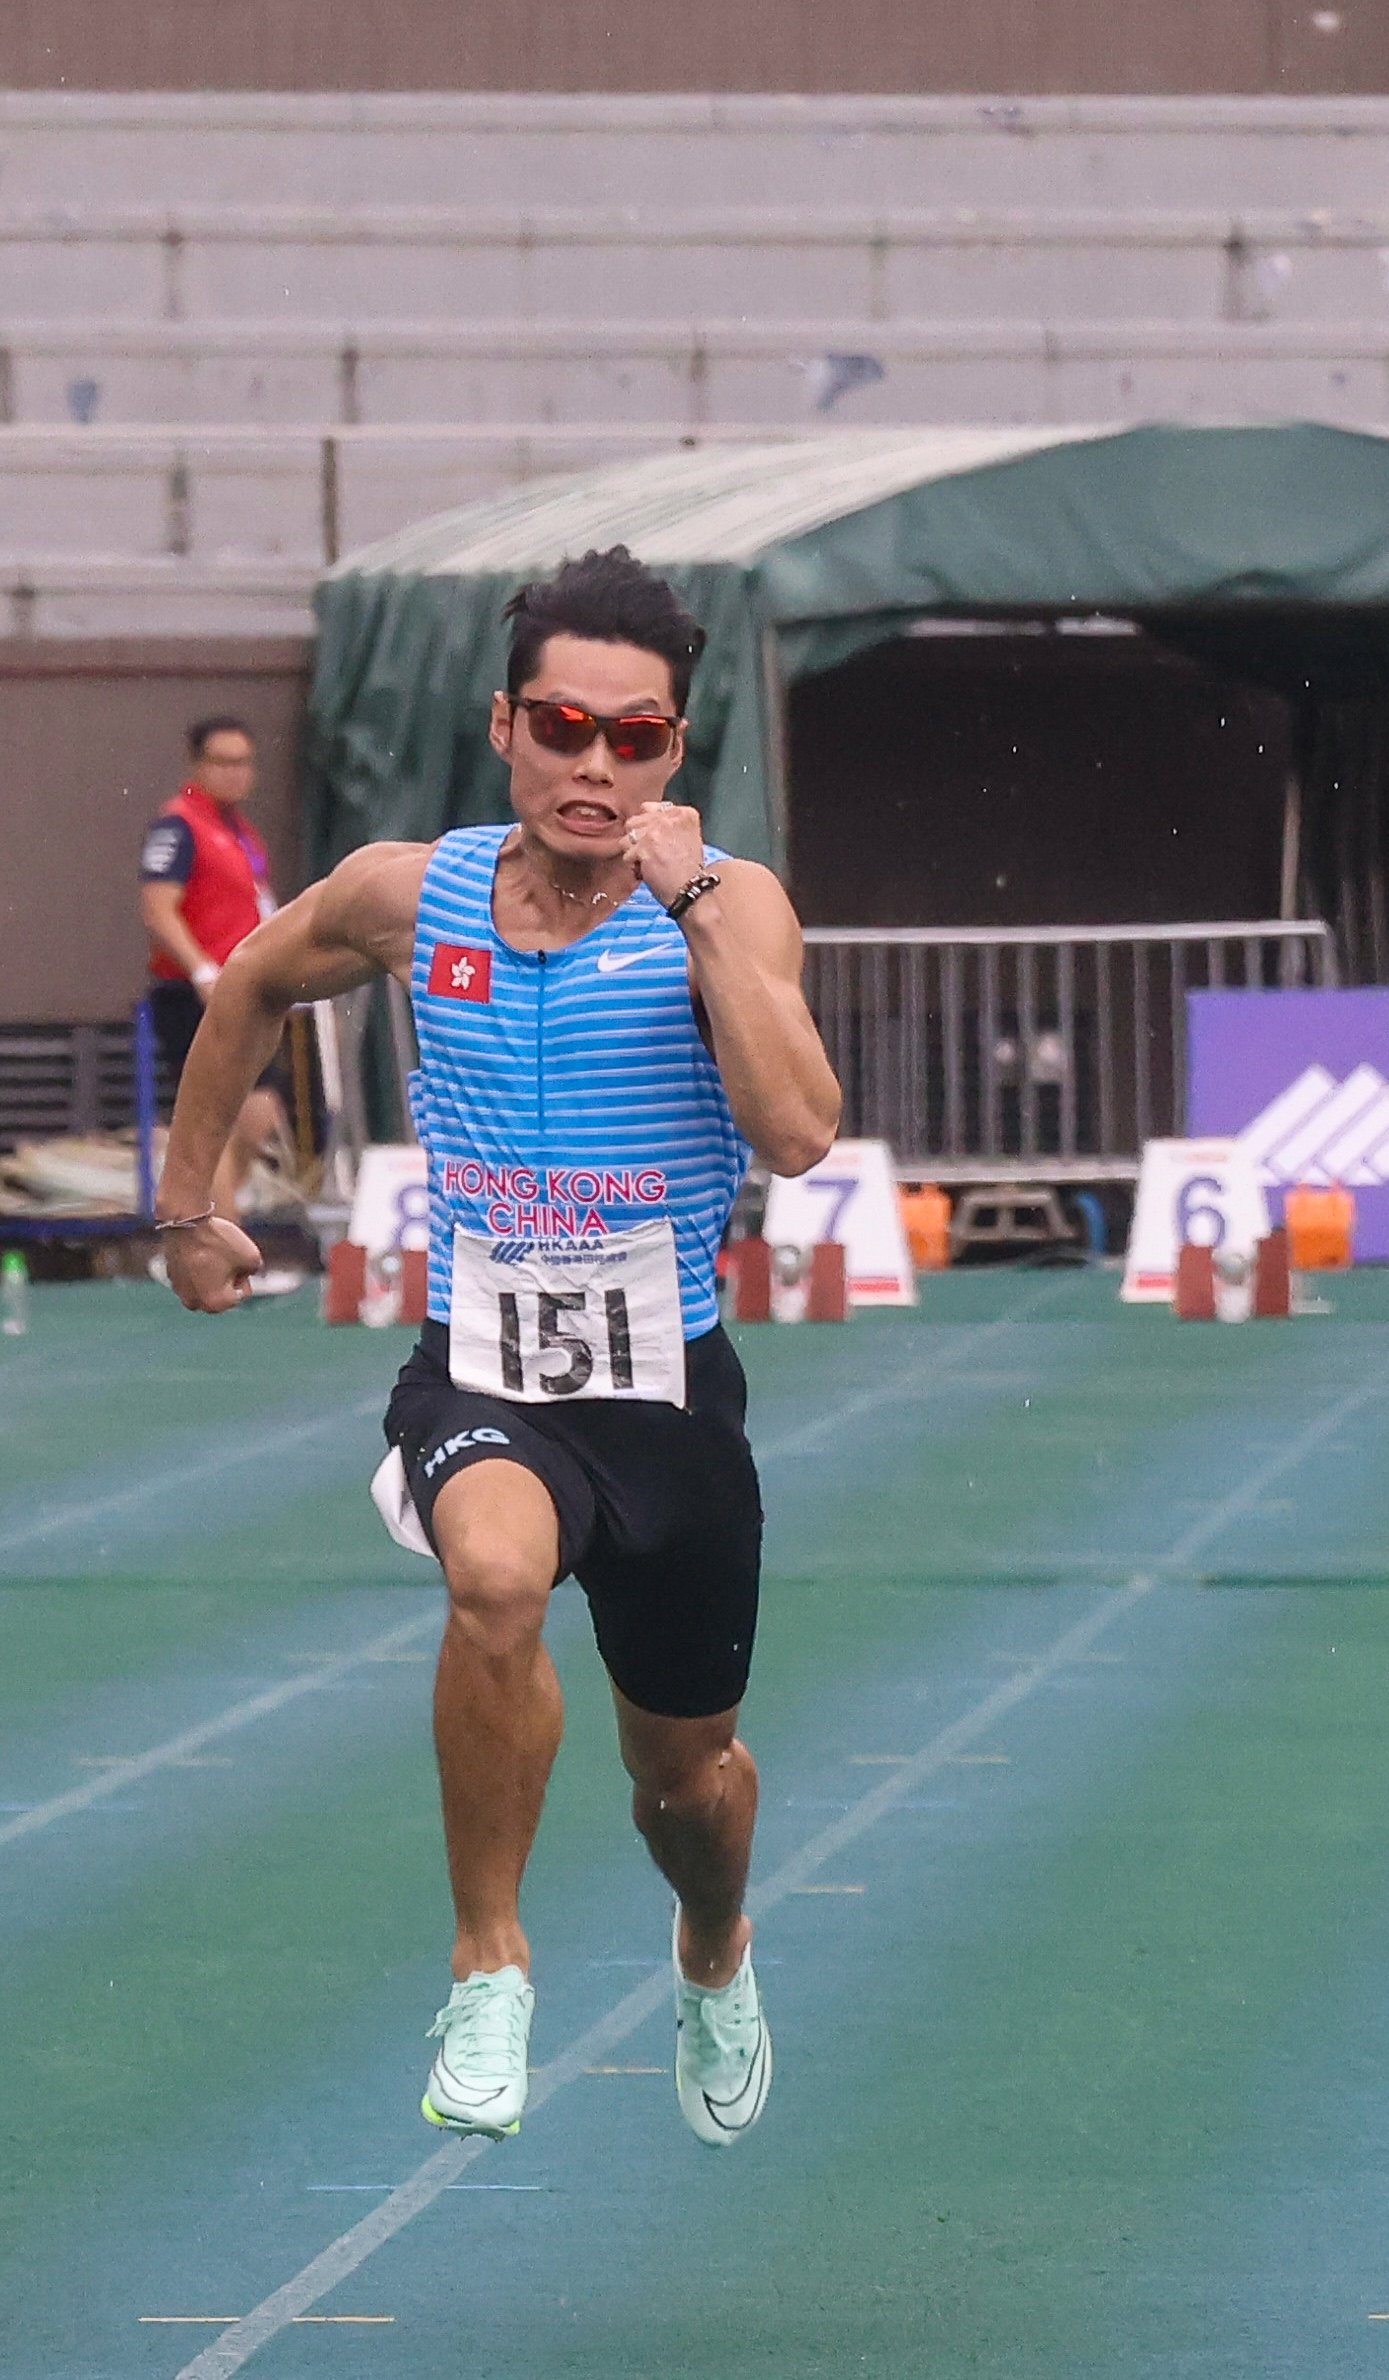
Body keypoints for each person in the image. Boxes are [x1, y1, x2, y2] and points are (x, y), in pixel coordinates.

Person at [155, 548, 842, 2151]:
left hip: (666, 1394)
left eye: (640, 738)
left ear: (678, 751)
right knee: (492, 1583)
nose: (596, 766)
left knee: (689, 1791)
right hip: (484, 1365)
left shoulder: (729, 907)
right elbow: (254, 978)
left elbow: (801, 1129)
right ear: (504, 728)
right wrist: (189, 1206)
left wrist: (689, 907)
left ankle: (714, 1947)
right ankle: (489, 1962)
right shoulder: (417, 889)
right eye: (564, 725)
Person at [140, 714, 301, 1273]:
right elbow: (158, 909)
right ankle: (223, 1258)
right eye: (223, 762)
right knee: (217, 1121)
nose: (237, 774)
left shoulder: (239, 832)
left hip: (246, 993)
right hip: (194, 997)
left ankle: (200, 1234)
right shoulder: (178, 827)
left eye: (245, 763)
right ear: (198, 766)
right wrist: (202, 971)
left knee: (257, 1117)